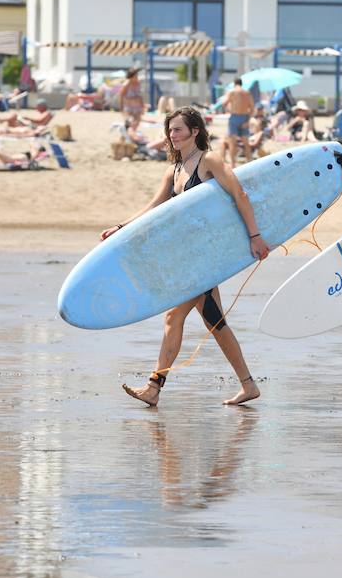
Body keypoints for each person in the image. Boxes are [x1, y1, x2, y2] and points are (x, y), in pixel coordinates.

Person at [112, 107, 269, 407]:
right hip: (188, 255)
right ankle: (248, 385)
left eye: (178, 130)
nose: (172, 135)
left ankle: (153, 387)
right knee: (215, 322)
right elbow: (154, 207)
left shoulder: (208, 161)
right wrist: (121, 228)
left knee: (175, 316)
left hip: (206, 257)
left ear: (195, 131)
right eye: (170, 130)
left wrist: (254, 236)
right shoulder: (173, 169)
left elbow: (240, 194)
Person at [222, 78, 255, 165]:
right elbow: (252, 109)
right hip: (245, 117)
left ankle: (233, 164)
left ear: (234, 84)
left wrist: (229, 109)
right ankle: (249, 162)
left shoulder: (231, 92)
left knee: (232, 142)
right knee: (246, 142)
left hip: (234, 117)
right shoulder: (247, 93)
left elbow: (224, 103)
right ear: (241, 84)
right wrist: (248, 121)